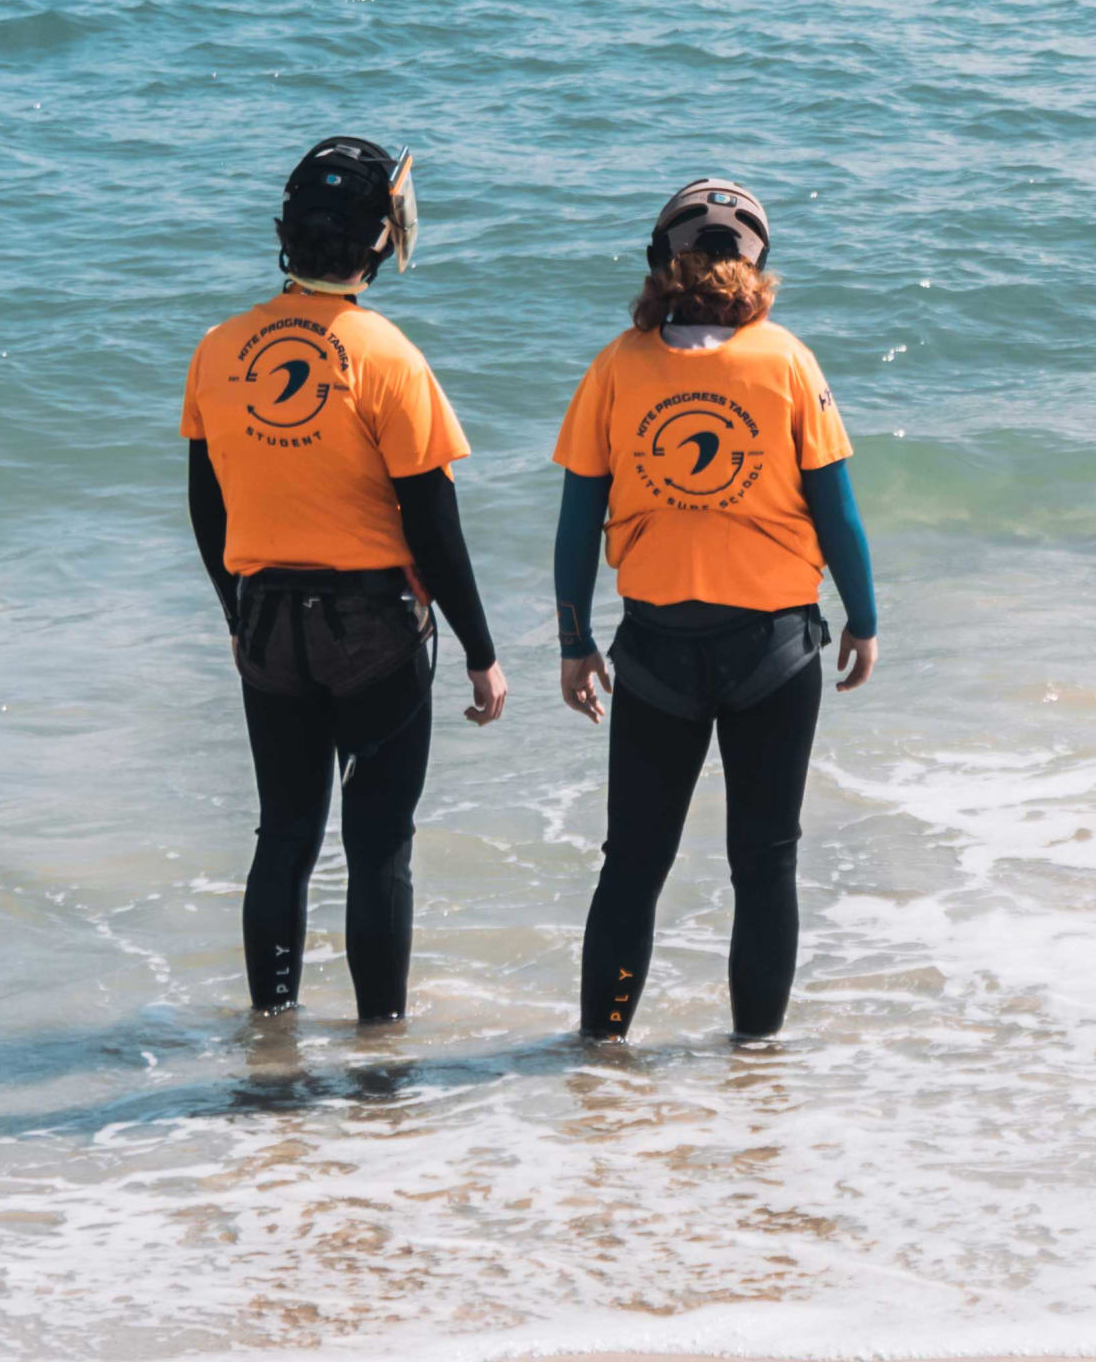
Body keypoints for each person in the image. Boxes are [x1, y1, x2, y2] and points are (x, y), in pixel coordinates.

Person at [183, 137, 508, 1024]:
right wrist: (483, 650)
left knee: (284, 837)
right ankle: (378, 1057)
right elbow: (433, 526)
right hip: (372, 630)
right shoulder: (389, 358)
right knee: (378, 851)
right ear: (380, 242)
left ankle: (273, 1042)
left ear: (287, 231)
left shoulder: (219, 349)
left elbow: (207, 513)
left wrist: (236, 615)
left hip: (267, 623)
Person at [552, 178, 880, 1041]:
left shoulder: (618, 367)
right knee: (765, 867)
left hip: (657, 651)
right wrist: (865, 617)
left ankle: (601, 1055)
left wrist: (575, 640)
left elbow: (578, 518)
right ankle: (756, 1063)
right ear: (760, 264)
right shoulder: (787, 361)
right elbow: (835, 510)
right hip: (774, 650)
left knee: (632, 866)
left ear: (660, 263)